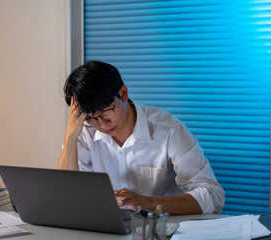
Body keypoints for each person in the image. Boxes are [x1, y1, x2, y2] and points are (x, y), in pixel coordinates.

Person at [57, 60, 224, 214]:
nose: (102, 124)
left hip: (158, 229)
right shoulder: (85, 131)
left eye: (105, 112)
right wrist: (70, 138)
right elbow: (62, 197)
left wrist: (146, 202)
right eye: (91, 118)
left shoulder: (168, 129)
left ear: (123, 93)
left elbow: (212, 195)